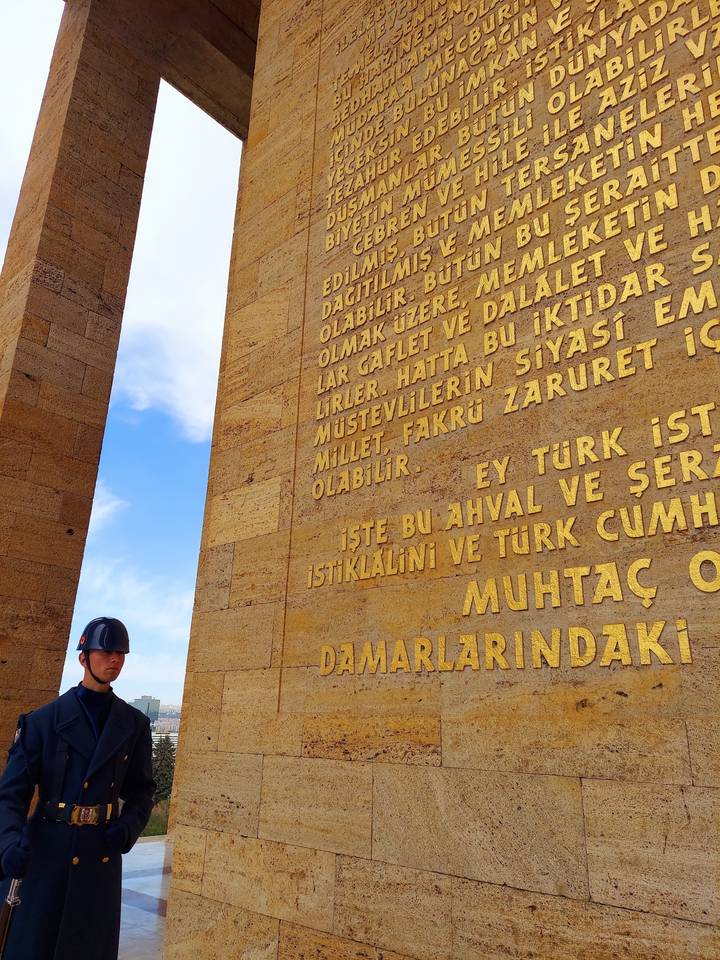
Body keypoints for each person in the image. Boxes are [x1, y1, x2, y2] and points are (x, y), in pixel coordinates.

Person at [0, 617, 155, 960]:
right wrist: (8, 842)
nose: (115, 659)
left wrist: (128, 827)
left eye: (121, 653)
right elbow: (10, 795)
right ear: (84, 658)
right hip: (46, 853)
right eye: (106, 651)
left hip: (100, 856)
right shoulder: (42, 721)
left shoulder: (134, 724)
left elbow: (143, 790)